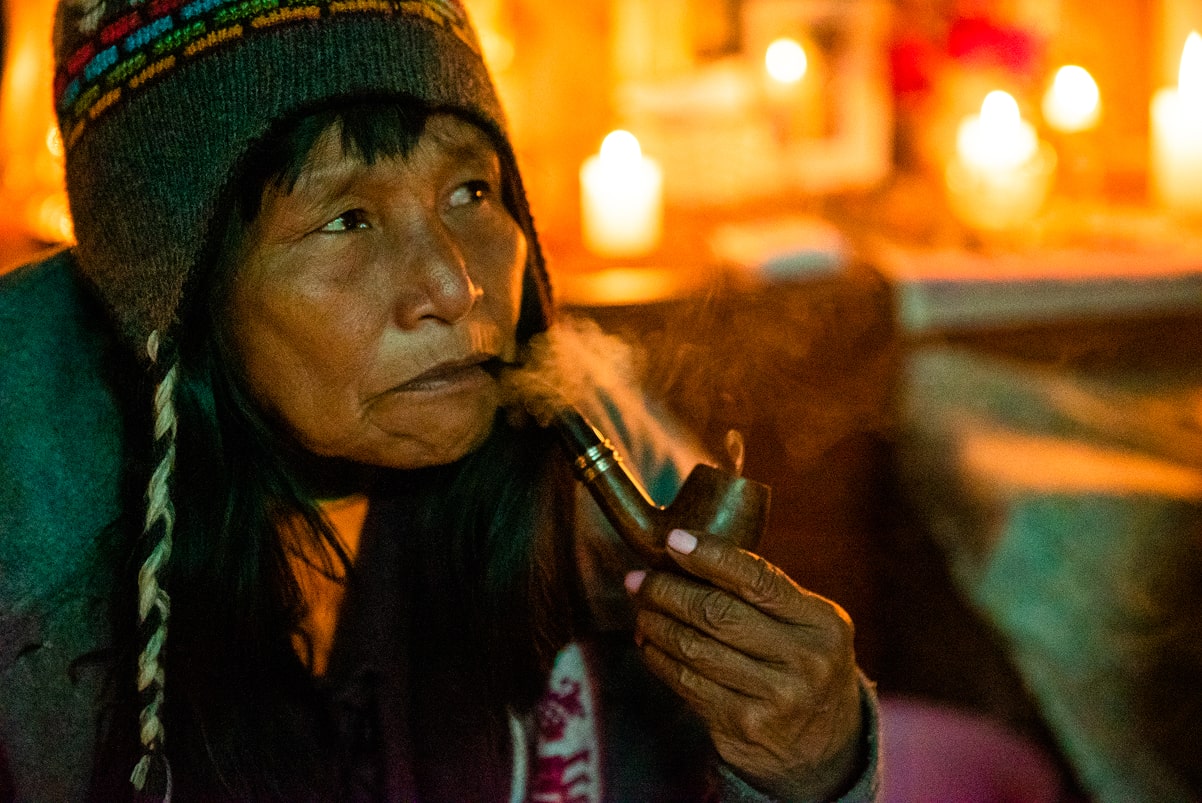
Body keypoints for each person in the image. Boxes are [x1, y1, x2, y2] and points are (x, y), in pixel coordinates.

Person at [0, 1, 881, 800]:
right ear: (175, 290)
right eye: (348, 219)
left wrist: (809, 764)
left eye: (471, 190)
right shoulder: (34, 556)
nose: (457, 288)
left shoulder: (588, 438)